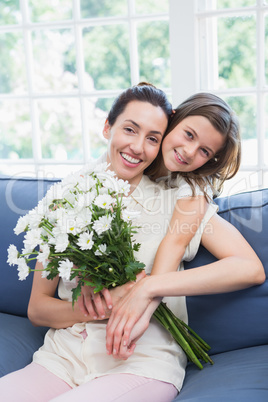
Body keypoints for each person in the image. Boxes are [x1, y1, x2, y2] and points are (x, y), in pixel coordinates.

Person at [0, 84, 264, 402]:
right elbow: (38, 308)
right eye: (130, 129)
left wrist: (149, 287)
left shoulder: (184, 201)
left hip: (141, 361)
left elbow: (249, 268)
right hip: (63, 357)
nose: (139, 146)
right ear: (107, 127)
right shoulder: (70, 196)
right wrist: (101, 307)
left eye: (152, 137)